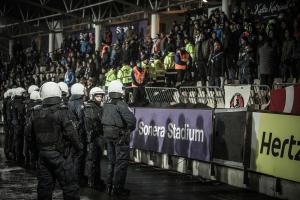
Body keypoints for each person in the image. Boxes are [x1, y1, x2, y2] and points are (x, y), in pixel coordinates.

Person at [25, 82, 82, 200]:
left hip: (43, 156)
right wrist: (79, 148)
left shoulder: (35, 113)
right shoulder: (62, 111)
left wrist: (36, 153)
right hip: (61, 157)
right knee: (70, 188)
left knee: (44, 189)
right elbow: (71, 134)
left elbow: (28, 136)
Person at [102, 80, 136, 196]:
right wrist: (128, 130)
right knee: (121, 164)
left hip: (108, 136)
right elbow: (131, 121)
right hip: (119, 137)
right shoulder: (121, 104)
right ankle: (117, 190)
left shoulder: (106, 103)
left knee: (111, 162)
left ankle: (109, 187)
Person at [81, 87, 106, 191]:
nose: (100, 98)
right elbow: (91, 124)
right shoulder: (90, 108)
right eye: (97, 96)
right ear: (92, 96)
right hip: (94, 137)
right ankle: (92, 181)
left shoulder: (97, 107)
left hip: (98, 137)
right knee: (93, 160)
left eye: (101, 96)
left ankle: (96, 180)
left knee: (96, 160)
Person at [68, 83, 87, 186]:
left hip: (71, 132)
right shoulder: (79, 102)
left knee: (73, 155)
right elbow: (81, 117)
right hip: (79, 133)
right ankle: (78, 178)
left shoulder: (70, 101)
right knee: (79, 156)